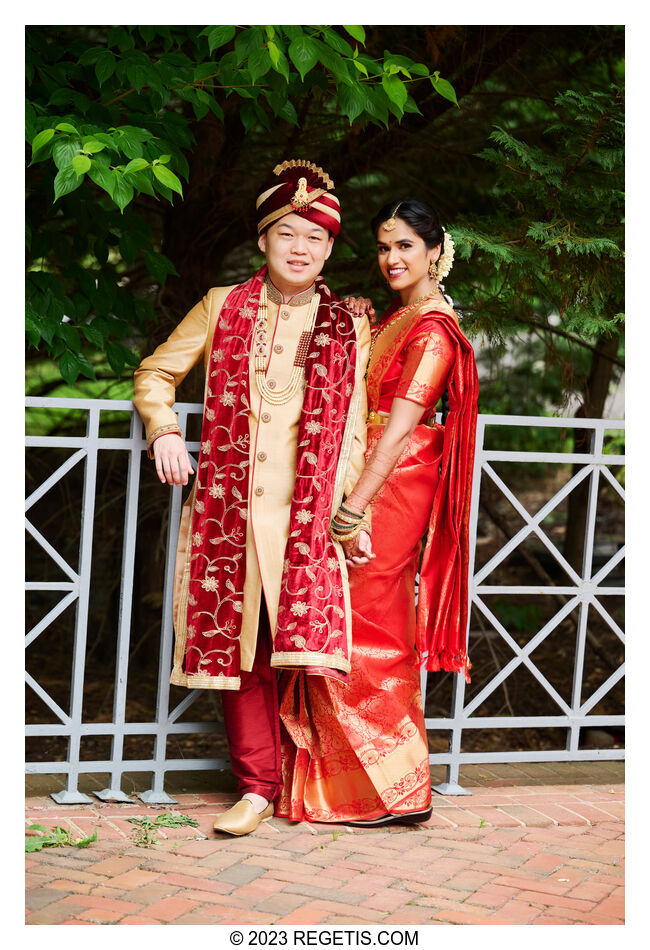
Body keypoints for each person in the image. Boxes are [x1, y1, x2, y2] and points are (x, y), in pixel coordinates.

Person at [133, 159, 372, 836]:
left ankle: (316, 784)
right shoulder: (221, 304)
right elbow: (156, 372)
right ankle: (257, 788)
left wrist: (354, 514)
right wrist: (165, 430)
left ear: (328, 249)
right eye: (288, 232)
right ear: (264, 239)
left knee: (303, 653)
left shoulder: (346, 325)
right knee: (241, 655)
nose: (300, 247)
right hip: (229, 515)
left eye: (316, 238)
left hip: (307, 520)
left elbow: (352, 429)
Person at [277, 198, 479, 826]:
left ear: (436, 253)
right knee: (342, 614)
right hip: (360, 468)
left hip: (392, 479)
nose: (392, 259)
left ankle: (394, 787)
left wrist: (353, 508)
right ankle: (358, 783)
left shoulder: (436, 329)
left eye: (406, 248)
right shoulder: (399, 316)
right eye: (385, 248)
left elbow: (400, 428)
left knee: (369, 621)